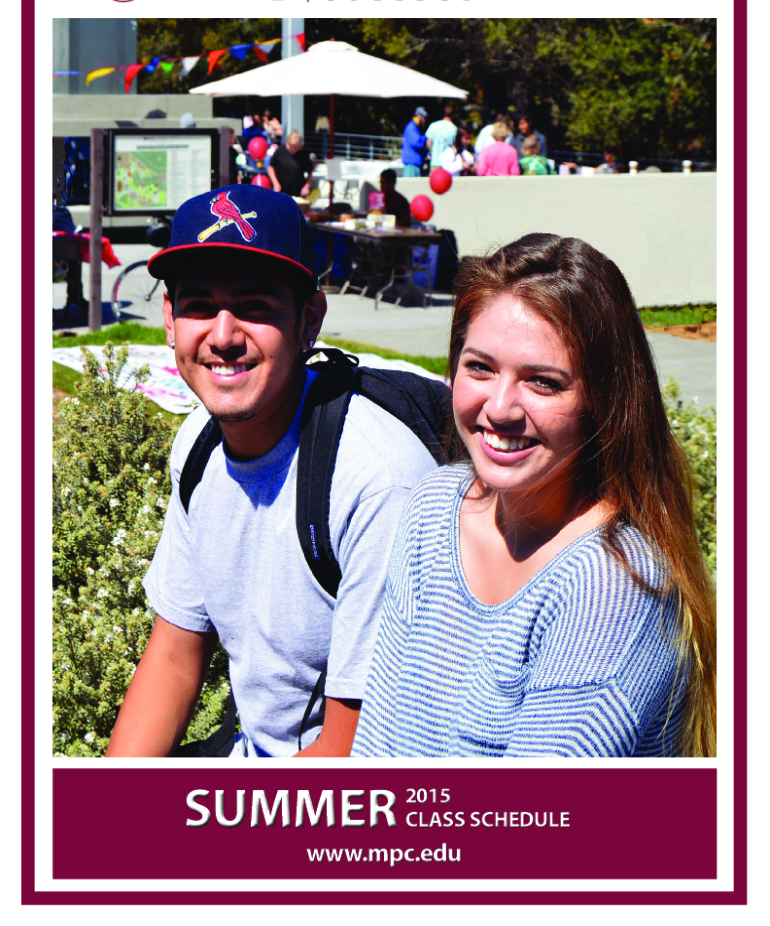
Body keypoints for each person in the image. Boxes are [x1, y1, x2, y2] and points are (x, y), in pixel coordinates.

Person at [352, 234, 716, 758]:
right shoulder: (433, 507)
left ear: (603, 402)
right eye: (480, 367)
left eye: (542, 382)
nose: (499, 408)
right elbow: (375, 746)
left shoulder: (611, 588)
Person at [105, 184, 437, 758]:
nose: (223, 335)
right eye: (199, 305)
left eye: (256, 306)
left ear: (310, 319)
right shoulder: (199, 443)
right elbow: (174, 655)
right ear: (169, 319)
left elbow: (353, 752)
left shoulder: (375, 481)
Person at [267, 130, 314, 197]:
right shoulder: (280, 150)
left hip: (297, 192)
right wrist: (275, 183)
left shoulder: (303, 153)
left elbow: (310, 171)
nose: (293, 149)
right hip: (280, 191)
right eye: (291, 146)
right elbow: (270, 167)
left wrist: (306, 186)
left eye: (296, 147)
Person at [426, 105, 457, 171]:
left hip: (434, 162)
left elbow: (428, 143)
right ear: (453, 115)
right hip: (448, 163)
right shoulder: (454, 128)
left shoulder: (433, 125)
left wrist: (432, 153)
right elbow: (455, 146)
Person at [401, 106, 429, 177]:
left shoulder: (415, 127)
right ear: (419, 116)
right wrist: (426, 137)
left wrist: (426, 154)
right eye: (424, 118)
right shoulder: (412, 127)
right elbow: (417, 143)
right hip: (411, 165)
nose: (425, 121)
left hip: (415, 164)